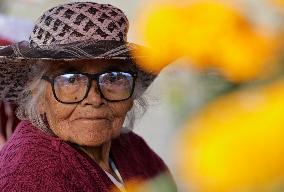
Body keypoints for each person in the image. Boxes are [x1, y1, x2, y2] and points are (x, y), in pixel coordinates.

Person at [0, 2, 176, 192]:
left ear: (131, 94)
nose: (94, 98)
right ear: (38, 95)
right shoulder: (27, 174)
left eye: (113, 77)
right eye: (71, 79)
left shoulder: (133, 148)